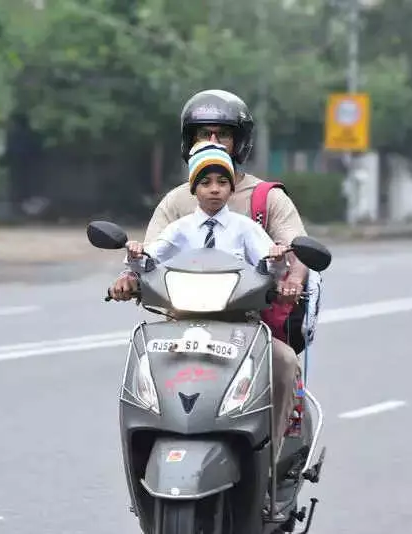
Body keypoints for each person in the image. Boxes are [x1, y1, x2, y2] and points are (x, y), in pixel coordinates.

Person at [108, 89, 323, 461]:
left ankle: (268, 459)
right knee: (141, 364)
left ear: (240, 142)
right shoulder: (178, 201)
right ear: (187, 142)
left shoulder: (266, 198)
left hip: (244, 322)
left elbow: (295, 249)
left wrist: (291, 281)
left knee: (284, 362)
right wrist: (129, 277)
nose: (212, 141)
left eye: (222, 134)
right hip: (180, 320)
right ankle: (145, 454)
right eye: (202, 134)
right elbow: (151, 252)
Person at [125, 141, 291, 269]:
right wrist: (136, 253)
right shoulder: (179, 229)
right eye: (205, 183)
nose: (215, 189)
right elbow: (147, 261)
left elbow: (272, 267)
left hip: (237, 303)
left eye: (223, 182)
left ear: (231, 189)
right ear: (193, 189)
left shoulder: (246, 228)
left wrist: (277, 258)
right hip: (187, 303)